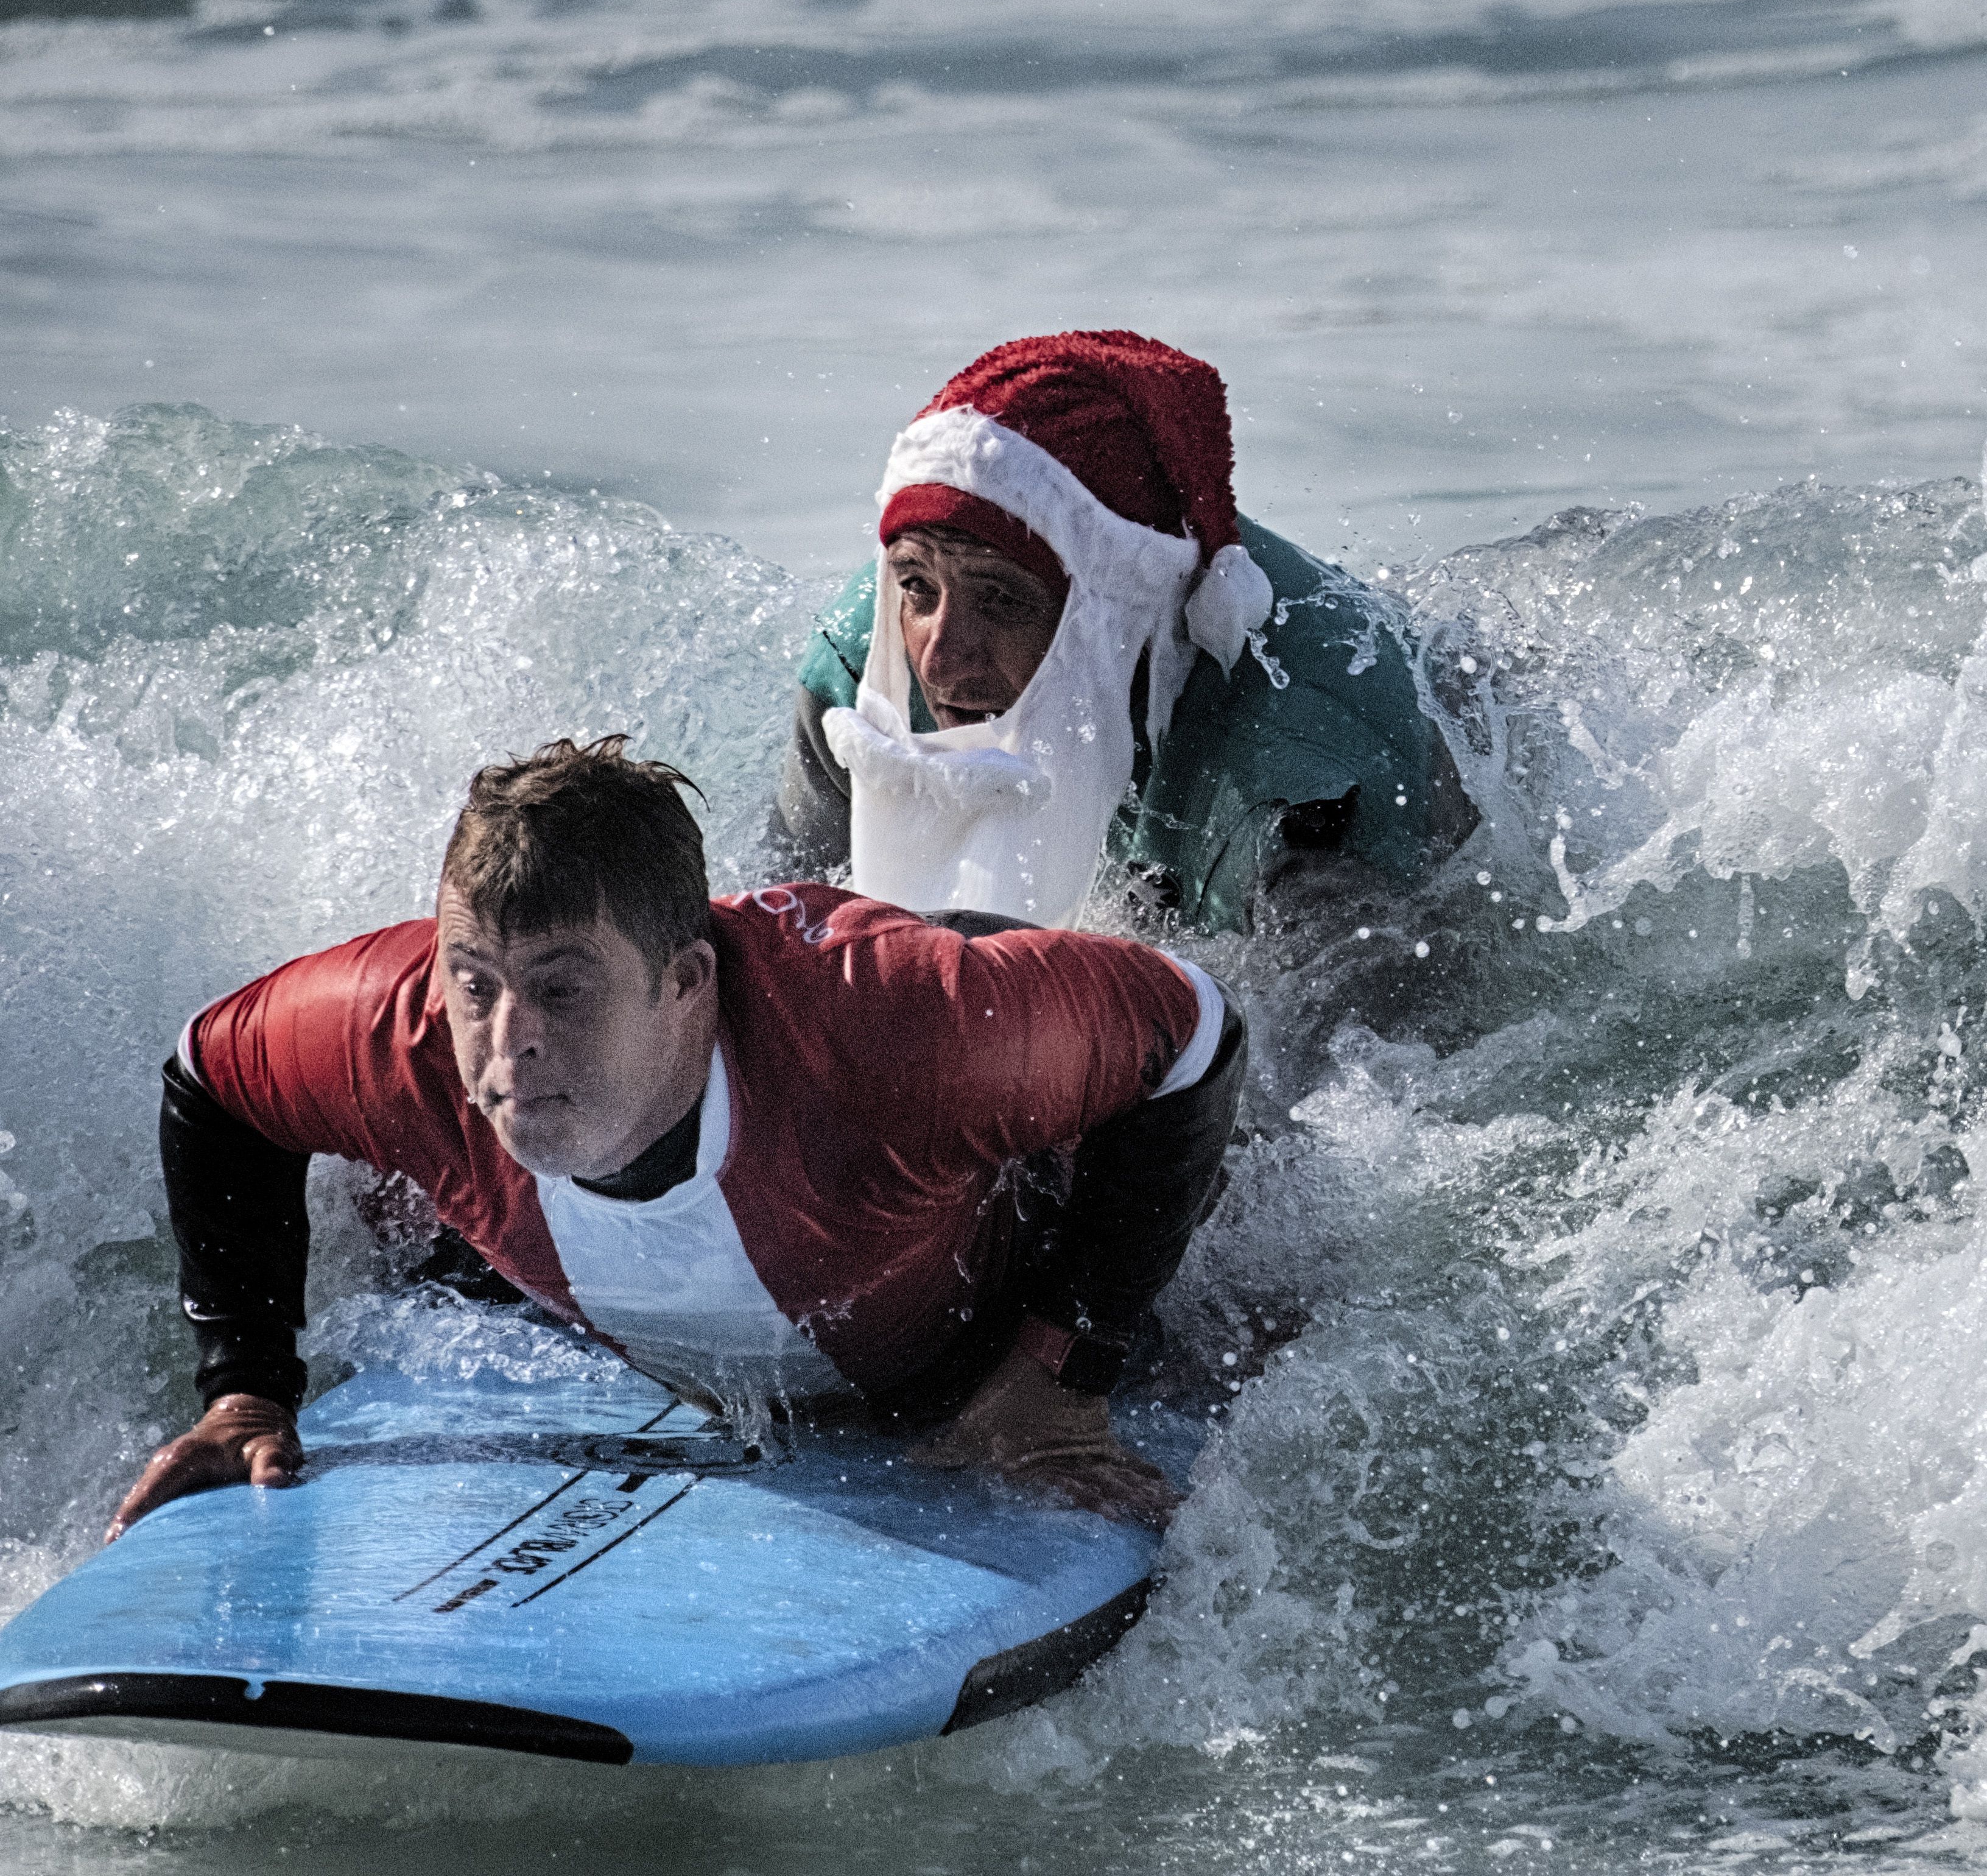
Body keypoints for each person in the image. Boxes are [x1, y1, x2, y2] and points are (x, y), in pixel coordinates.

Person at [109, 735, 1241, 1541]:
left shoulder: (904, 1037)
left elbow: (1192, 1034)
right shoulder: (394, 1032)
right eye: (477, 986)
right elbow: (210, 1080)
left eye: (562, 990)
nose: (511, 1043)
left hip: (985, 1243)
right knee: (412, 1228)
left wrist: (1063, 1367)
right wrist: (247, 1387)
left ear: (686, 983)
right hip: (696, 1269)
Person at [768, 330, 1468, 934]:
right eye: (918, 584)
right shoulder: (863, 672)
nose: (943, 660)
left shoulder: (1299, 783)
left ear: (1107, 615)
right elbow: (769, 957)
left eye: (1002, 600)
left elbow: (1380, 1074)